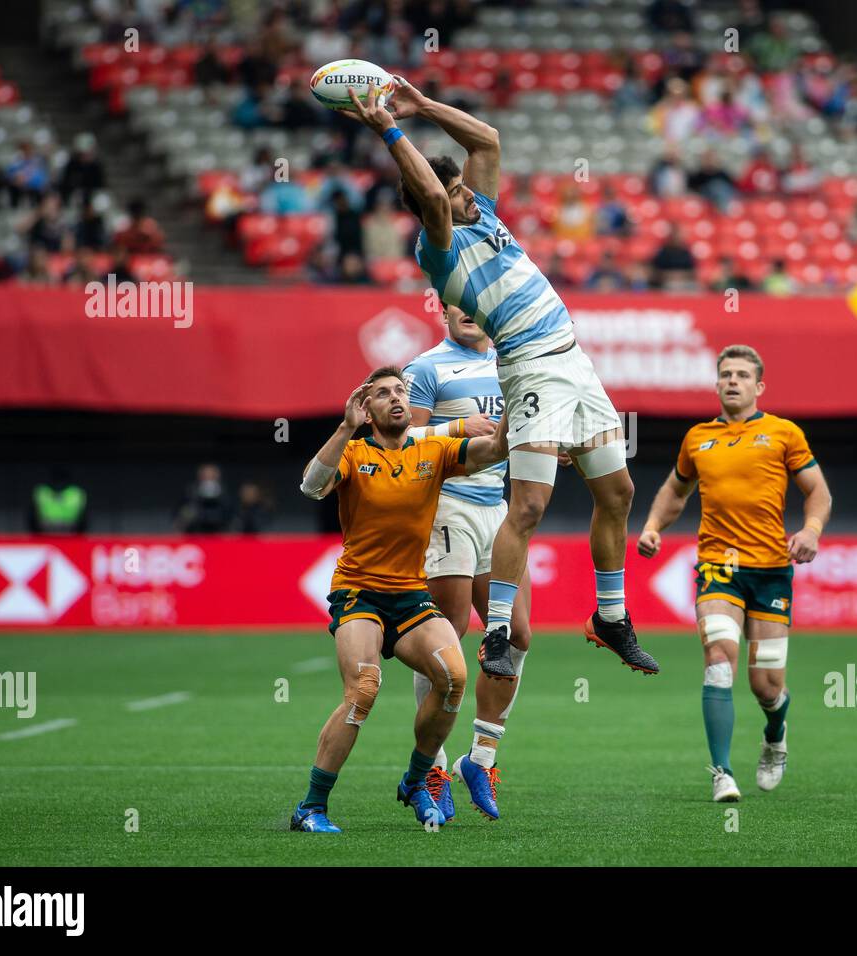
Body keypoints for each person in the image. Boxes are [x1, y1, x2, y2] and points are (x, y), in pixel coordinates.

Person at [336, 77, 659, 679]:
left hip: (575, 361)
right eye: (455, 191)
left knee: (618, 493)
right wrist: (389, 132)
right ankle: (501, 632)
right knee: (530, 503)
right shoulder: (439, 251)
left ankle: (611, 617)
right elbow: (432, 200)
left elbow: (487, 141)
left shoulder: (481, 213)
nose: (464, 196)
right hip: (531, 363)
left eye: (461, 188)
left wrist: (424, 105)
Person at [290, 366, 509, 833]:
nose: (395, 398)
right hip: (359, 593)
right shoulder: (353, 451)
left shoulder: (433, 450)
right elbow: (311, 486)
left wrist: (513, 410)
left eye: (400, 391)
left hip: (410, 594)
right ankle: (311, 806)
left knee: (453, 677)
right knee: (364, 690)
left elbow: (496, 449)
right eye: (383, 393)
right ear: (366, 409)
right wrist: (345, 426)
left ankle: (415, 780)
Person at [637, 345, 833, 802]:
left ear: (758, 386)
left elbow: (817, 490)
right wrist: (651, 526)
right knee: (718, 662)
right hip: (717, 568)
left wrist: (812, 529)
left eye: (742, 375)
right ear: (716, 383)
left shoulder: (784, 433)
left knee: (766, 686)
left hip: (770, 571)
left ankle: (775, 735)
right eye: (725, 374)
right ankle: (721, 772)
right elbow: (674, 490)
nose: (732, 381)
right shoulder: (696, 438)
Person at [403, 304, 530, 821]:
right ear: (444, 308)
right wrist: (457, 427)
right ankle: (432, 767)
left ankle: (480, 759)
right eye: (458, 304)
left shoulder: (512, 365)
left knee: (517, 634)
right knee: (448, 638)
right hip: (447, 505)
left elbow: (518, 431)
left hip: (497, 508)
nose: (468, 312)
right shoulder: (425, 368)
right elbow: (400, 444)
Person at [174, 464, 233, 533]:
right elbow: (180, 512)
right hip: (195, 532)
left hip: (219, 533)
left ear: (217, 476)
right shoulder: (191, 492)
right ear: (200, 476)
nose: (208, 478)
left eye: (212, 475)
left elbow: (229, 514)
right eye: (206, 475)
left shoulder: (224, 494)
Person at [28, 468, 87, 533]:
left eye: (61, 480)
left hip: (71, 530)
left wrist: (78, 535)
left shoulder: (76, 493)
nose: (59, 483)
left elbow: (84, 517)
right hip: (44, 530)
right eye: (56, 480)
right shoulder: (41, 491)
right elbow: (31, 514)